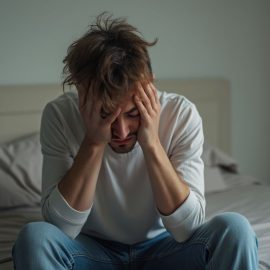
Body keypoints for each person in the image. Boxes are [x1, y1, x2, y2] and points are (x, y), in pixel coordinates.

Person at [13, 13, 258, 269]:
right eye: (106, 114)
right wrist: (94, 142)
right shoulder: (60, 115)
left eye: (132, 114)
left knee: (235, 229)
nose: (120, 131)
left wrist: (151, 142)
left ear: (149, 86)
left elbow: (187, 229)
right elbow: (60, 227)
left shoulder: (181, 115)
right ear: (82, 93)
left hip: (167, 248)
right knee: (35, 237)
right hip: (90, 252)